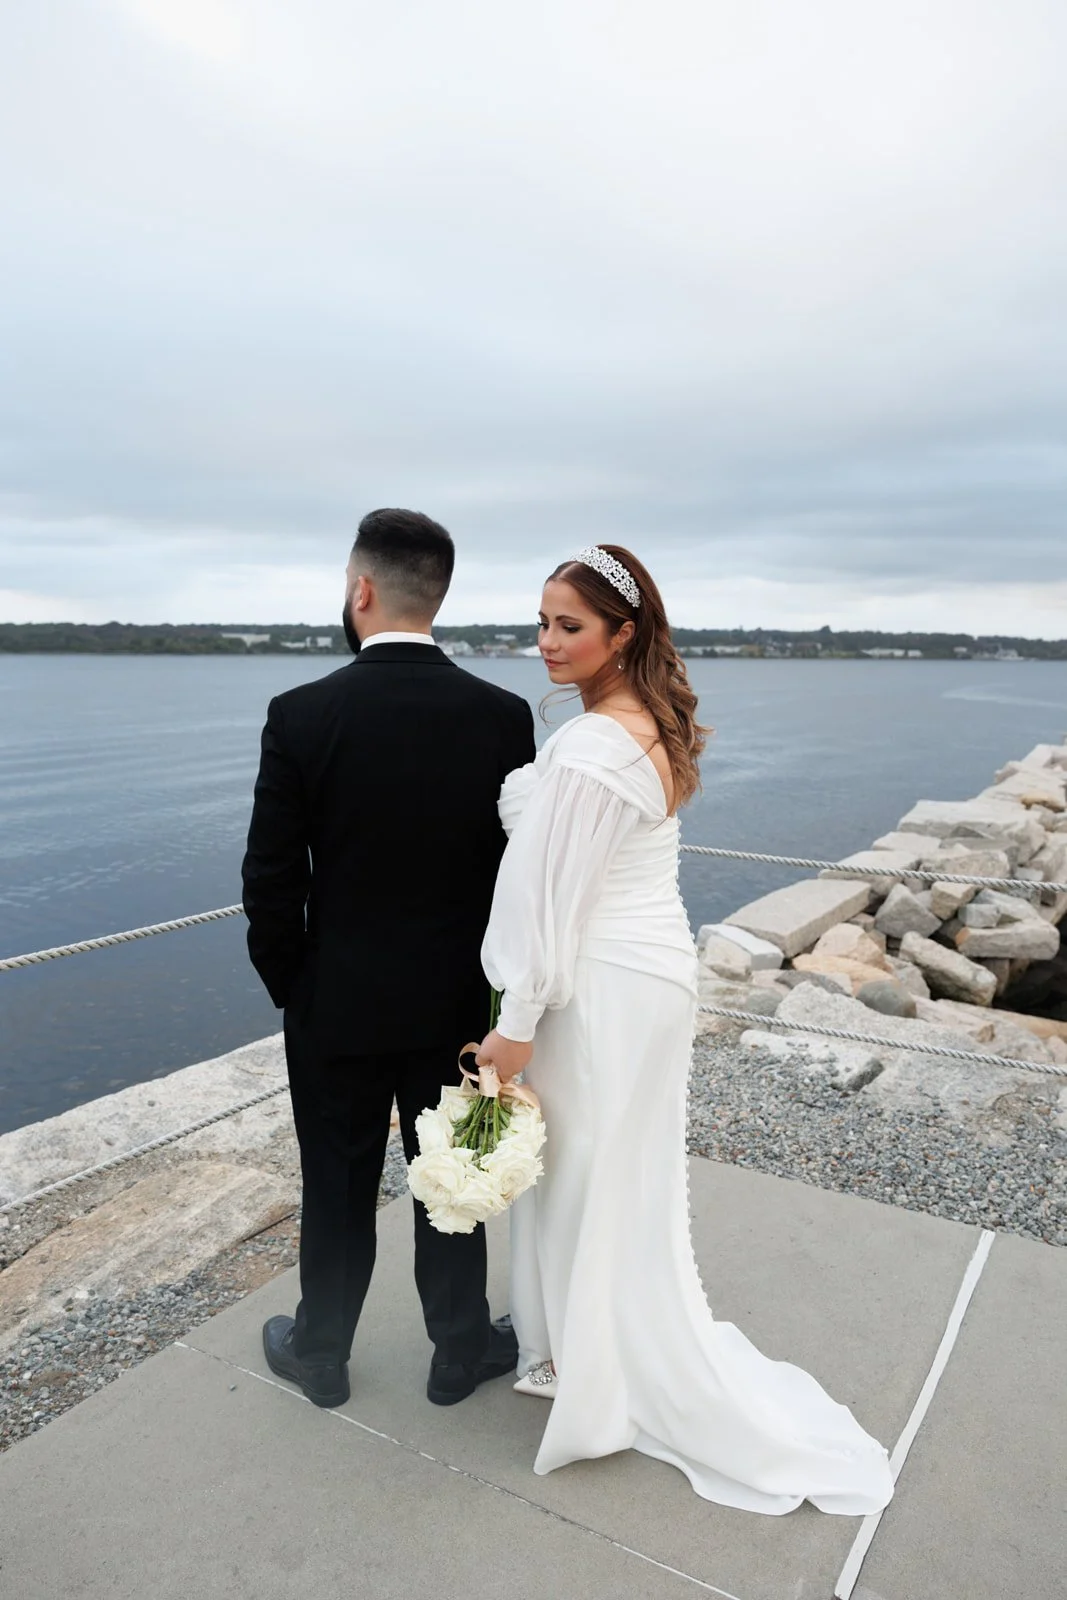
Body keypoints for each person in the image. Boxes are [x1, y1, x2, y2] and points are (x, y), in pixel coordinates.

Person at [475, 544, 894, 1515]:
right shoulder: (642, 729)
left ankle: (592, 1371)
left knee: (582, 1176)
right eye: (539, 622)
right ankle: (595, 1348)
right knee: (623, 1172)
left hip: (602, 984)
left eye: (567, 626)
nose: (545, 642)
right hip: (654, 970)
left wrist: (516, 1019)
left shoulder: (589, 748)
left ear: (622, 634)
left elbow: (548, 897)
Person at [242, 509, 535, 1409]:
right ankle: (458, 1353)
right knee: (452, 1180)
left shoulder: (301, 714)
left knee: (333, 1183)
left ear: (360, 590)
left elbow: (269, 879)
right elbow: (513, 879)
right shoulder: (502, 715)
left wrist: (297, 985)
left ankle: (321, 1353)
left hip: (336, 1001)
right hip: (456, 1007)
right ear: (437, 596)